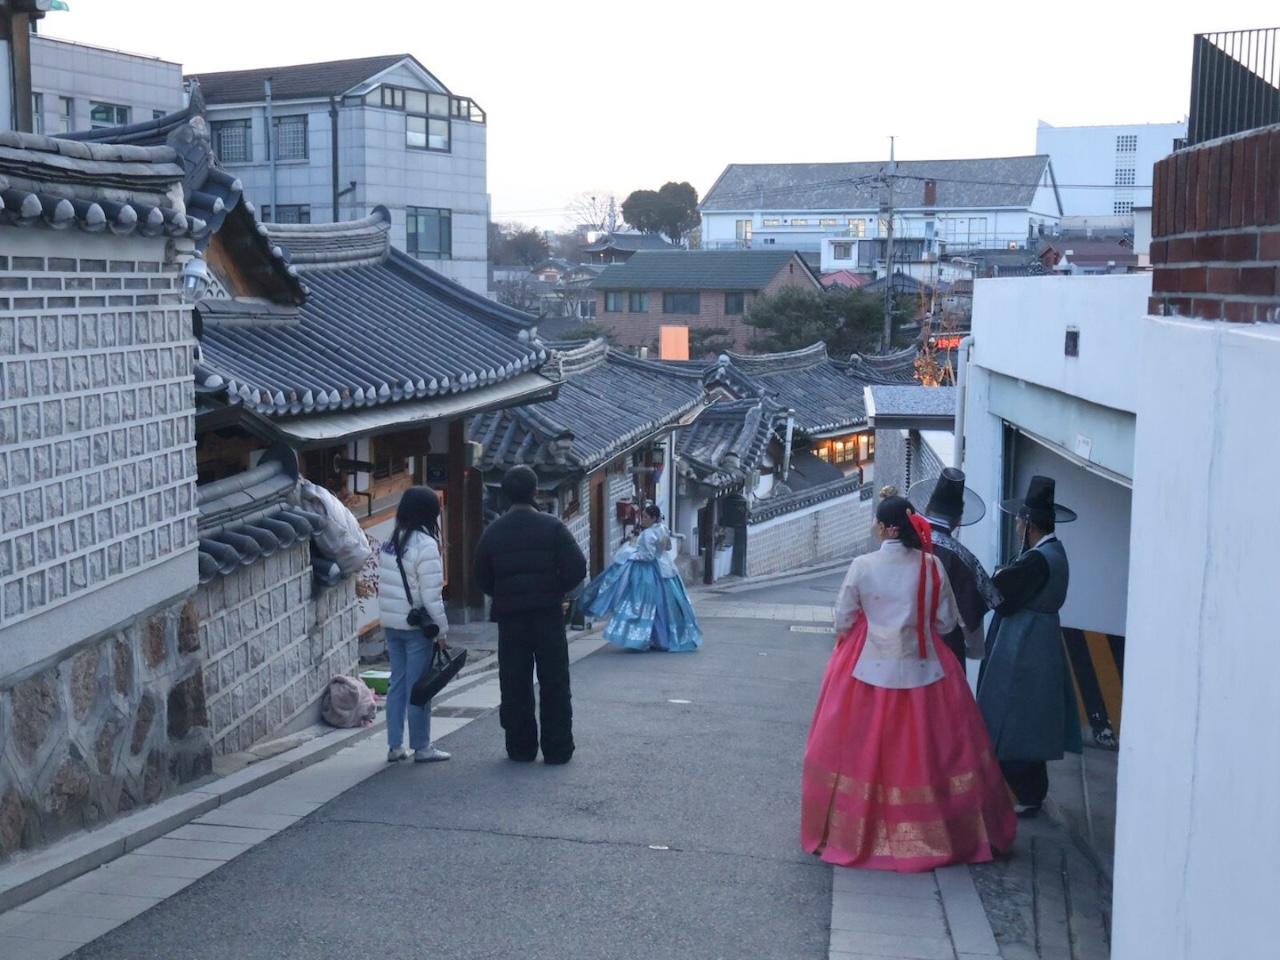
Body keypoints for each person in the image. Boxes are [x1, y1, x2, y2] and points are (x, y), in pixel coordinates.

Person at [801, 495, 1015, 872]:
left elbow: (844, 619)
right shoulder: (931, 566)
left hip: (866, 667)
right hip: (926, 667)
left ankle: (854, 831)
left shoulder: (863, 566)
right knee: (932, 751)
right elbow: (947, 623)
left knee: (860, 750)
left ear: (884, 528)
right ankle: (934, 833)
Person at [977, 475, 1082, 818]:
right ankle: (1031, 792)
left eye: (1021, 521)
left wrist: (999, 574)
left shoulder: (1036, 560)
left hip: (1024, 642)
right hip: (1040, 637)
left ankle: (1021, 793)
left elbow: (1000, 597)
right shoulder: (1054, 552)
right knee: (1031, 716)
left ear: (1029, 525)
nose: (1018, 525)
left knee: (1014, 715)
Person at [474, 466, 587, 764]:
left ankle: (520, 747)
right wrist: (556, 590)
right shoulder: (553, 527)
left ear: (506, 494)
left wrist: (502, 593)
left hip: (511, 618)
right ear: (536, 492)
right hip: (548, 615)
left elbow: (481, 578)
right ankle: (557, 748)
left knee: (514, 682)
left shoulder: (493, 532)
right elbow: (578, 567)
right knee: (554, 682)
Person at [377, 486, 451, 764]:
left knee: (397, 684)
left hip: (392, 624)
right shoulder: (426, 545)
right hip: (416, 628)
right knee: (420, 688)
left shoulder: (391, 540)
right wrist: (442, 631)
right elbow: (431, 596)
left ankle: (395, 746)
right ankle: (422, 747)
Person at [907, 468, 1001, 664]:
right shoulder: (964, 559)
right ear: (958, 521)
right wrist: (973, 649)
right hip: (944, 654)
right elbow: (971, 616)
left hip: (899, 647)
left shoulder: (904, 543)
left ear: (927, 509)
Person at [581, 504, 703, 652]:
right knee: (665, 605)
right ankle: (664, 637)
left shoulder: (647, 534)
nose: (642, 519)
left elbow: (648, 556)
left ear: (653, 518)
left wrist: (630, 552)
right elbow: (668, 548)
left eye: (645, 517)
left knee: (643, 603)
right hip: (666, 568)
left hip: (649, 572)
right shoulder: (663, 529)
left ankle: (647, 637)